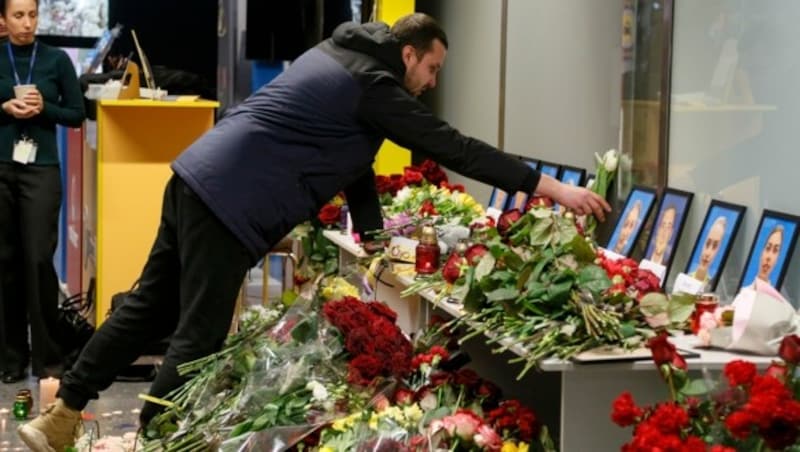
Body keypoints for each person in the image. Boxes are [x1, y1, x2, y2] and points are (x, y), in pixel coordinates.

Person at [17, 13, 610, 451]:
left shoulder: (339, 56)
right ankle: (160, 441)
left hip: (196, 177)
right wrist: (548, 188)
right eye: (431, 68)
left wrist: (374, 239)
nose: (431, 81)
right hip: (229, 202)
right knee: (196, 335)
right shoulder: (375, 87)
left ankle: (62, 414)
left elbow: (352, 161)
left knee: (147, 308)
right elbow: (452, 146)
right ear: (408, 55)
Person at [0, 0, 85, 385]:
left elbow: (76, 113)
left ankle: (48, 359)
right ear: (3, 19)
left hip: (41, 169)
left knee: (37, 259)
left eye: (32, 15)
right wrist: (5, 105)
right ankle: (11, 360)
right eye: (18, 15)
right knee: (6, 262)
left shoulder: (55, 60)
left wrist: (43, 107)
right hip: (2, 168)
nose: (27, 23)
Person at [689, 216, 727, 283]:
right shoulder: (687, 276)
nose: (707, 253)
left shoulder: (713, 284)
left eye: (715, 247)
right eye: (707, 244)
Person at [746, 224, 783, 289]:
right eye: (768, 248)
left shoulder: (773, 298)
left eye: (775, 251)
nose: (769, 257)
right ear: (761, 253)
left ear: (777, 259)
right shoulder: (743, 292)